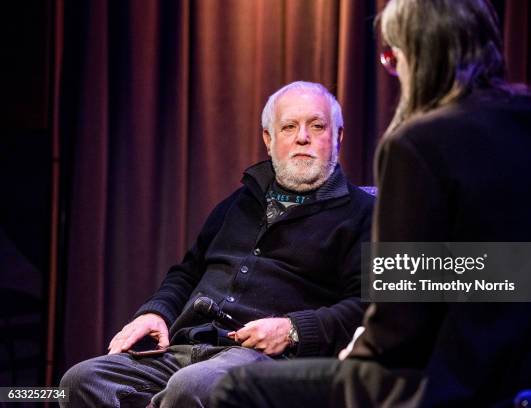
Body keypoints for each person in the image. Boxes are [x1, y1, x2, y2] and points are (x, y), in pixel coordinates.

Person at [209, 0, 531, 407]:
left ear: (416, 54)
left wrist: (357, 357)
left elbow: (399, 331)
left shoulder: (418, 143)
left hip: (469, 386)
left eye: (391, 56)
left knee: (238, 388)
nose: (394, 69)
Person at [59, 81, 374, 407]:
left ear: (337, 137)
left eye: (317, 126)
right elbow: (187, 272)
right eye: (289, 126)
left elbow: (372, 308)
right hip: (187, 347)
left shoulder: (364, 214)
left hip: (264, 362)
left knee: (191, 387)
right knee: (80, 382)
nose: (302, 137)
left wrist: (294, 329)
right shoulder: (239, 202)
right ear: (269, 140)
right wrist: (156, 312)